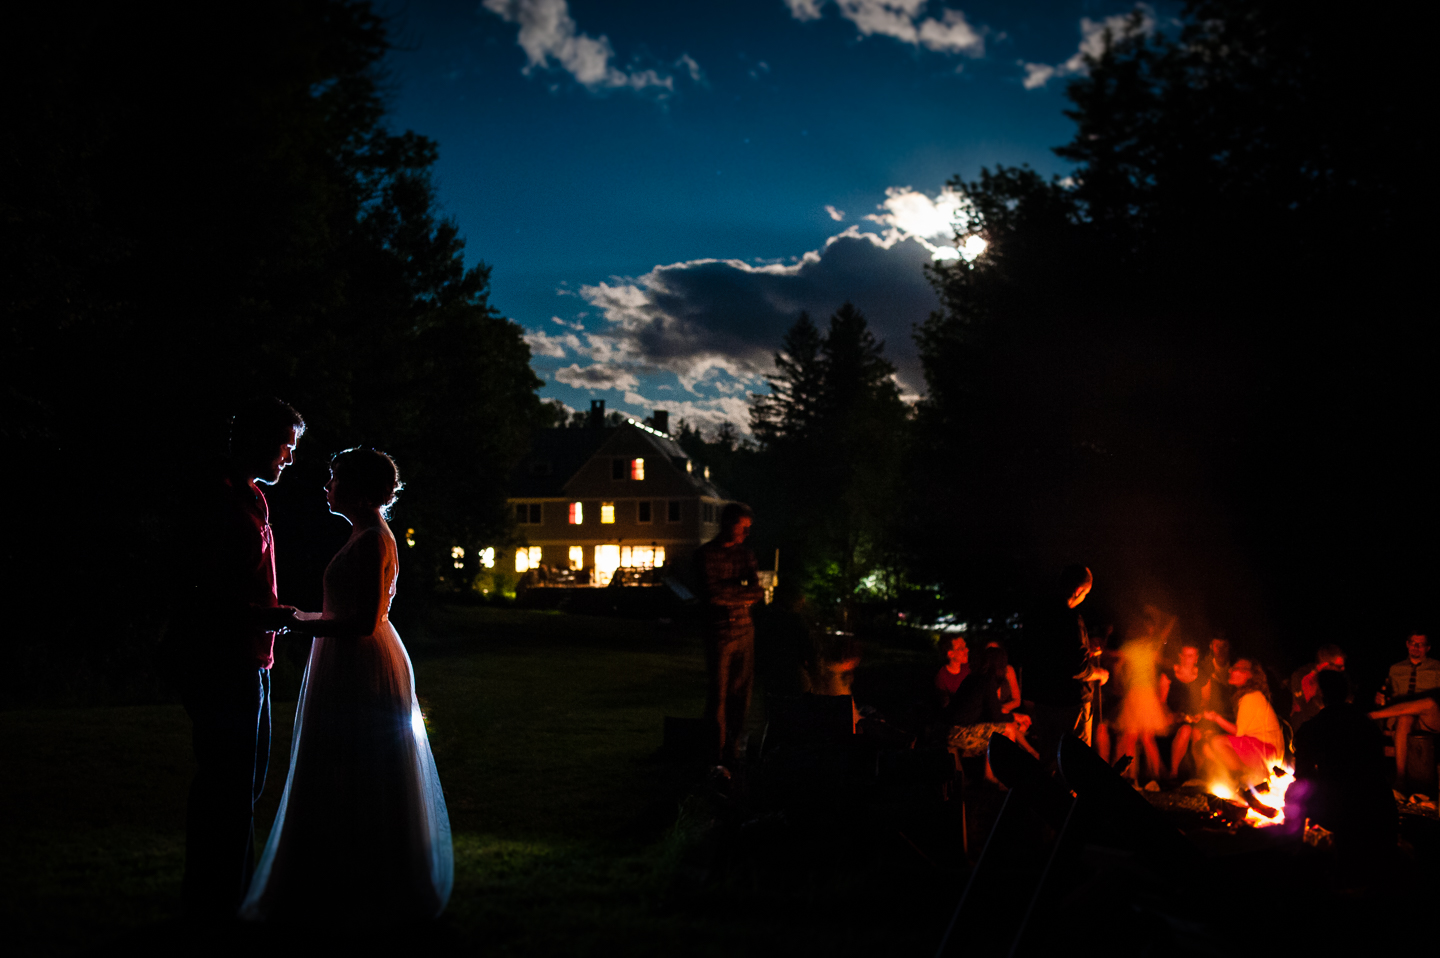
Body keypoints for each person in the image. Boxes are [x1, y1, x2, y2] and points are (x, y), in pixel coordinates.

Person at [241, 448, 452, 923]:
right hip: (344, 658)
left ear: (355, 488)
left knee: (357, 765)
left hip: (361, 661)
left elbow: (361, 622)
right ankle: (338, 876)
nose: (326, 485)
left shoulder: (375, 538)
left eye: (334, 478)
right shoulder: (362, 534)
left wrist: (295, 622)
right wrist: (302, 620)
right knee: (339, 763)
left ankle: (363, 881)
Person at [164, 397, 305, 922]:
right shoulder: (214, 496)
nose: (289, 457)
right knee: (226, 782)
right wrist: (261, 614)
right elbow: (200, 587)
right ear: (258, 440)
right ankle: (215, 902)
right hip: (221, 658)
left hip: (254, 658)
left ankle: (231, 893)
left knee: (245, 781)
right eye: (285, 445)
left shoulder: (251, 497)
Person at [1293, 669, 1395, 856]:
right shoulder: (1366, 723)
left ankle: (1297, 855)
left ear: (1321, 693)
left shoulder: (1312, 729)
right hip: (1380, 805)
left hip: (1342, 811)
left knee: (1295, 794)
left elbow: (1302, 778)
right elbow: (1380, 767)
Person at [693, 503, 765, 768]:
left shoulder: (745, 555)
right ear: (728, 524)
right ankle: (715, 751)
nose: (746, 533)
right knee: (719, 694)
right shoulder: (705, 556)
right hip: (720, 633)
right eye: (742, 527)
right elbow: (712, 595)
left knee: (742, 693)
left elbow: (757, 592)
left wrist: (731, 594)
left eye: (749, 528)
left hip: (745, 631)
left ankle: (733, 747)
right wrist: (739, 594)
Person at [1023, 564, 1108, 770]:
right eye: (1086, 593)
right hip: (1070, 703)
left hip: (1044, 700)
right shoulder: (1071, 619)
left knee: (1049, 759)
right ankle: (1071, 801)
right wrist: (1098, 673)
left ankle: (1049, 801)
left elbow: (1048, 655)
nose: (1084, 597)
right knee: (1074, 762)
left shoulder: (1038, 615)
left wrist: (1086, 651)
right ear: (1079, 590)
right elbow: (1077, 668)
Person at [1201, 659, 1284, 789]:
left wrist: (1216, 718)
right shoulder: (1249, 696)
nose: (1230, 670)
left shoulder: (1250, 697)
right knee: (1207, 749)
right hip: (1260, 748)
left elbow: (1238, 732)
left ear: (1249, 675)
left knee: (1218, 742)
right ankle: (1235, 780)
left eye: (1236, 668)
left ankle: (1245, 780)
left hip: (1268, 751)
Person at [1376, 633, 1440, 786]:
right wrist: (1379, 698)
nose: (1415, 647)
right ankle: (1400, 777)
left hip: (1427, 718)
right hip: (1401, 718)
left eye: (1420, 644)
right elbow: (1388, 693)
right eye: (1412, 643)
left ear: (1428, 648)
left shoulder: (1437, 667)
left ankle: (1371, 716)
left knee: (1428, 703)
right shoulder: (1395, 668)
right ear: (1407, 644)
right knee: (1405, 717)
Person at [1114, 633, 1169, 782]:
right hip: (1147, 694)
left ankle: (1131, 776)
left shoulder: (1129, 647)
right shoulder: (1150, 647)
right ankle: (1156, 775)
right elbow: (1154, 670)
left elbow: (1119, 667)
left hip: (1135, 693)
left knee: (1132, 737)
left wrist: (1120, 683)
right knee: (1146, 737)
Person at [1161, 642, 1205, 779]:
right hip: (1174, 718)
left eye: (1190, 656)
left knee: (1197, 732)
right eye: (1184, 655)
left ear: (1196, 658)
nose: (1187, 659)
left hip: (1194, 718)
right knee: (1186, 730)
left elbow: (1205, 701)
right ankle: (1173, 772)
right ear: (1180, 656)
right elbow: (1161, 701)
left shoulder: (1202, 676)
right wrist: (1173, 715)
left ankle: (1199, 775)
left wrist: (1199, 713)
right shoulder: (1169, 674)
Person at [1288, 644, 1346, 728]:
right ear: (1325, 665)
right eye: (1339, 666)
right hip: (1310, 723)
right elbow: (1306, 707)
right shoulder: (1303, 676)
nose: (1343, 669)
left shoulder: (1340, 677)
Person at [934, 634, 970, 707]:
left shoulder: (969, 668)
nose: (967, 650)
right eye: (961, 648)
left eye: (965, 646)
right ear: (951, 654)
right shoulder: (941, 677)